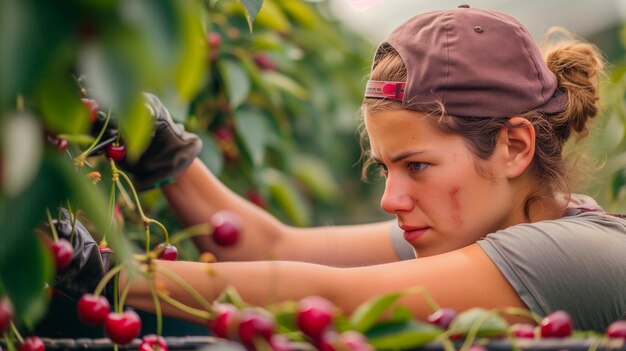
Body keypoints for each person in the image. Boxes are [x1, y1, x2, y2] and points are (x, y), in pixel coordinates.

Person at [69, 5, 626, 333]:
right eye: (385, 167)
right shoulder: (479, 225)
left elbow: (326, 295)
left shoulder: (578, 253)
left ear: (514, 146)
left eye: (416, 166)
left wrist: (102, 274)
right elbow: (271, 244)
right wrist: (168, 156)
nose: (391, 198)